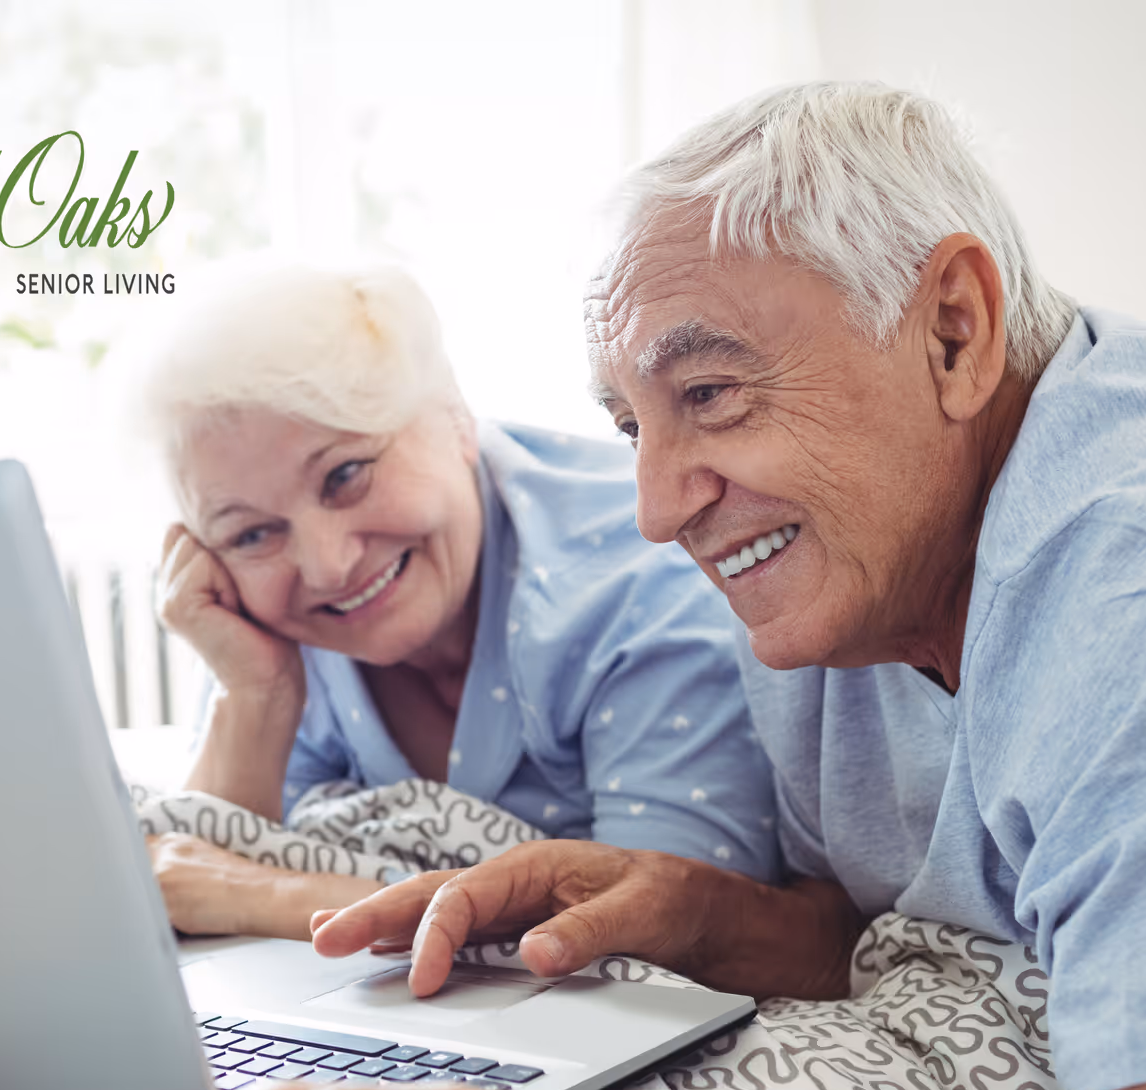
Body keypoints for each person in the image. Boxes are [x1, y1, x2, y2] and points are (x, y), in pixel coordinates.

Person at [0, 84, 1146, 1090]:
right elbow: (909, 905)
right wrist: (709, 916)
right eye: (627, 422)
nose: (653, 506)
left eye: (709, 395)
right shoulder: (841, 577)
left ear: (954, 328)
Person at [131, 262, 779, 939]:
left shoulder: (639, 575)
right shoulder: (268, 624)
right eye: (252, 532)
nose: (327, 566)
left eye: (346, 474)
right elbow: (187, 892)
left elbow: (666, 934)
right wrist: (254, 700)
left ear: (455, 420)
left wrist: (262, 896)